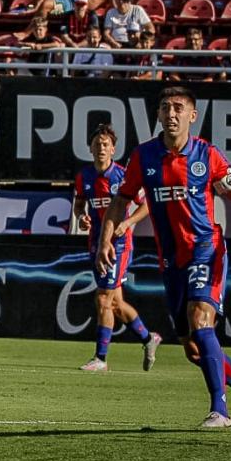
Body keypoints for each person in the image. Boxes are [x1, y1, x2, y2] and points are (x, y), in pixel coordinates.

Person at [100, 86, 231, 429]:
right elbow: (122, 200)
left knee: (200, 318)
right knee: (193, 349)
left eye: (179, 107)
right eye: (165, 107)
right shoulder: (143, 156)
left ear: (193, 115)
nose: (171, 113)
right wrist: (106, 238)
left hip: (206, 249)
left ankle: (220, 411)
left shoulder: (207, 156)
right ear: (159, 116)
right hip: (171, 261)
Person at [73, 123, 160, 373]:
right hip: (96, 241)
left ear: (113, 149)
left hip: (118, 244)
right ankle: (148, 338)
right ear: (90, 148)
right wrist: (81, 216)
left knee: (103, 298)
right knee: (116, 304)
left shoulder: (122, 176)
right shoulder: (84, 176)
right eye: (97, 144)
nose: (101, 148)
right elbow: (79, 205)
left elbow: (146, 204)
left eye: (106, 144)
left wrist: (129, 222)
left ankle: (101, 358)